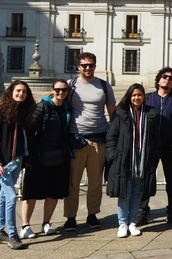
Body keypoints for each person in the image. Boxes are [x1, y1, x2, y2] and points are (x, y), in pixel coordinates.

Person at [64, 52, 116, 231]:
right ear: (78, 66)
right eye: (84, 65)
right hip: (76, 138)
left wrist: (114, 136)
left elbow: (112, 112)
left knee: (95, 181)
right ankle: (70, 217)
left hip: (99, 139)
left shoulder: (103, 85)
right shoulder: (70, 86)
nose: (87, 68)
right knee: (73, 182)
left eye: (91, 65)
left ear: (95, 66)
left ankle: (92, 215)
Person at [106, 84, 161, 238]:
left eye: (139, 95)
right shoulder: (121, 114)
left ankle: (132, 222)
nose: (137, 98)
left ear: (144, 96)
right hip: (125, 159)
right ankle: (122, 223)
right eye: (134, 95)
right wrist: (113, 157)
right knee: (125, 193)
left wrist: (154, 157)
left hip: (143, 160)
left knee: (138, 193)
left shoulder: (151, 114)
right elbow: (111, 138)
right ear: (129, 97)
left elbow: (156, 139)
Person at [20, 80, 72, 239]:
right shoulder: (42, 106)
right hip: (39, 156)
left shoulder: (66, 107)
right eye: (58, 90)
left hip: (58, 156)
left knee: (54, 192)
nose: (61, 93)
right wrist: (28, 155)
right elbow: (30, 131)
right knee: (31, 192)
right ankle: (25, 226)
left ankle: (46, 223)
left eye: (64, 90)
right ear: (52, 90)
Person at [0, 80, 35, 250]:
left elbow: (26, 138)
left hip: (17, 160)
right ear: (11, 91)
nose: (21, 94)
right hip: (3, 163)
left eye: (24, 92)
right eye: (18, 91)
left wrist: (26, 158)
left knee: (3, 195)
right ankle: (13, 235)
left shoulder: (23, 112)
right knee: (12, 196)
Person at [136, 67, 172, 227]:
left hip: (169, 146)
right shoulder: (148, 98)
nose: (167, 79)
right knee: (146, 178)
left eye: (171, 78)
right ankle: (142, 211)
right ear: (159, 80)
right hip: (150, 146)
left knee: (171, 180)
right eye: (164, 77)